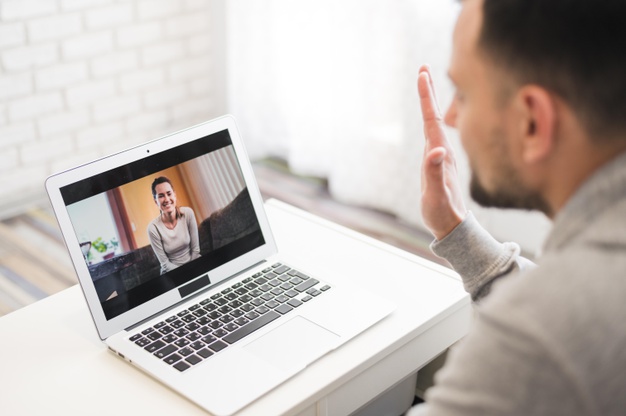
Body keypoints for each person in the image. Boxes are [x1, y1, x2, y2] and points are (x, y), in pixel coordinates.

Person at [407, 0, 626, 414]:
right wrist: (457, 233)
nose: (451, 117)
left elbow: (554, 326)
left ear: (532, 123)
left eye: (464, 94)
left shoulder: (541, 336)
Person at [147, 177, 201, 274]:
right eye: (161, 196)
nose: (167, 199)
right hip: (172, 273)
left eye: (169, 193)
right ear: (156, 201)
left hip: (194, 264)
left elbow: (196, 251)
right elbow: (165, 264)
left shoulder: (188, 213)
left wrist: (192, 269)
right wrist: (186, 273)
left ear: (174, 195)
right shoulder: (153, 228)